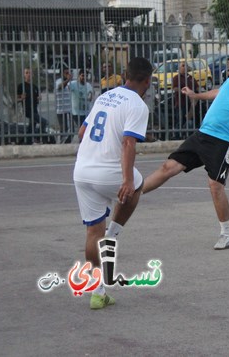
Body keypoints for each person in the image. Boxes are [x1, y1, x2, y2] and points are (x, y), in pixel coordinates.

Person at [142, 49, 229, 250]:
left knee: (215, 185)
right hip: (202, 134)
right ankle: (133, 193)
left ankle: (226, 234)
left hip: (224, 142)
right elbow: (218, 93)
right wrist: (196, 95)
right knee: (168, 167)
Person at [72, 57, 153, 309]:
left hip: (82, 171)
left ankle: (97, 292)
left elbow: (82, 133)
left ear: (124, 75)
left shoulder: (104, 96)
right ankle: (114, 233)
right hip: (108, 171)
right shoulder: (138, 106)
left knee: (91, 233)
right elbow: (129, 143)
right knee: (138, 185)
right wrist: (127, 179)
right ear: (148, 81)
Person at [17, 68, 48, 140]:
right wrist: (21, 98)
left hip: (34, 110)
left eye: (30, 73)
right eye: (26, 73)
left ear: (32, 75)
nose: (28, 75)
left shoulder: (35, 87)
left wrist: (38, 98)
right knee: (44, 122)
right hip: (27, 110)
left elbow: (36, 98)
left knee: (31, 128)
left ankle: (27, 141)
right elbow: (16, 98)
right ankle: (39, 138)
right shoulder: (21, 86)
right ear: (24, 75)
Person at [170, 60, 199, 135]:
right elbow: (174, 88)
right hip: (180, 103)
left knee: (191, 120)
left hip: (191, 103)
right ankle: (177, 135)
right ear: (179, 68)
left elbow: (197, 87)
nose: (185, 67)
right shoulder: (176, 77)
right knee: (180, 120)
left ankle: (189, 135)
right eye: (183, 66)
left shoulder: (191, 78)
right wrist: (183, 91)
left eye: (185, 65)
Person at [55, 68, 74, 143]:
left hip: (68, 110)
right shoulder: (58, 81)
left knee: (71, 130)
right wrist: (68, 80)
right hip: (61, 111)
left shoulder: (68, 83)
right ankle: (62, 144)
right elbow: (60, 86)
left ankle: (67, 143)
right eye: (66, 73)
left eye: (69, 72)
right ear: (62, 74)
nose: (68, 74)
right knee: (64, 130)